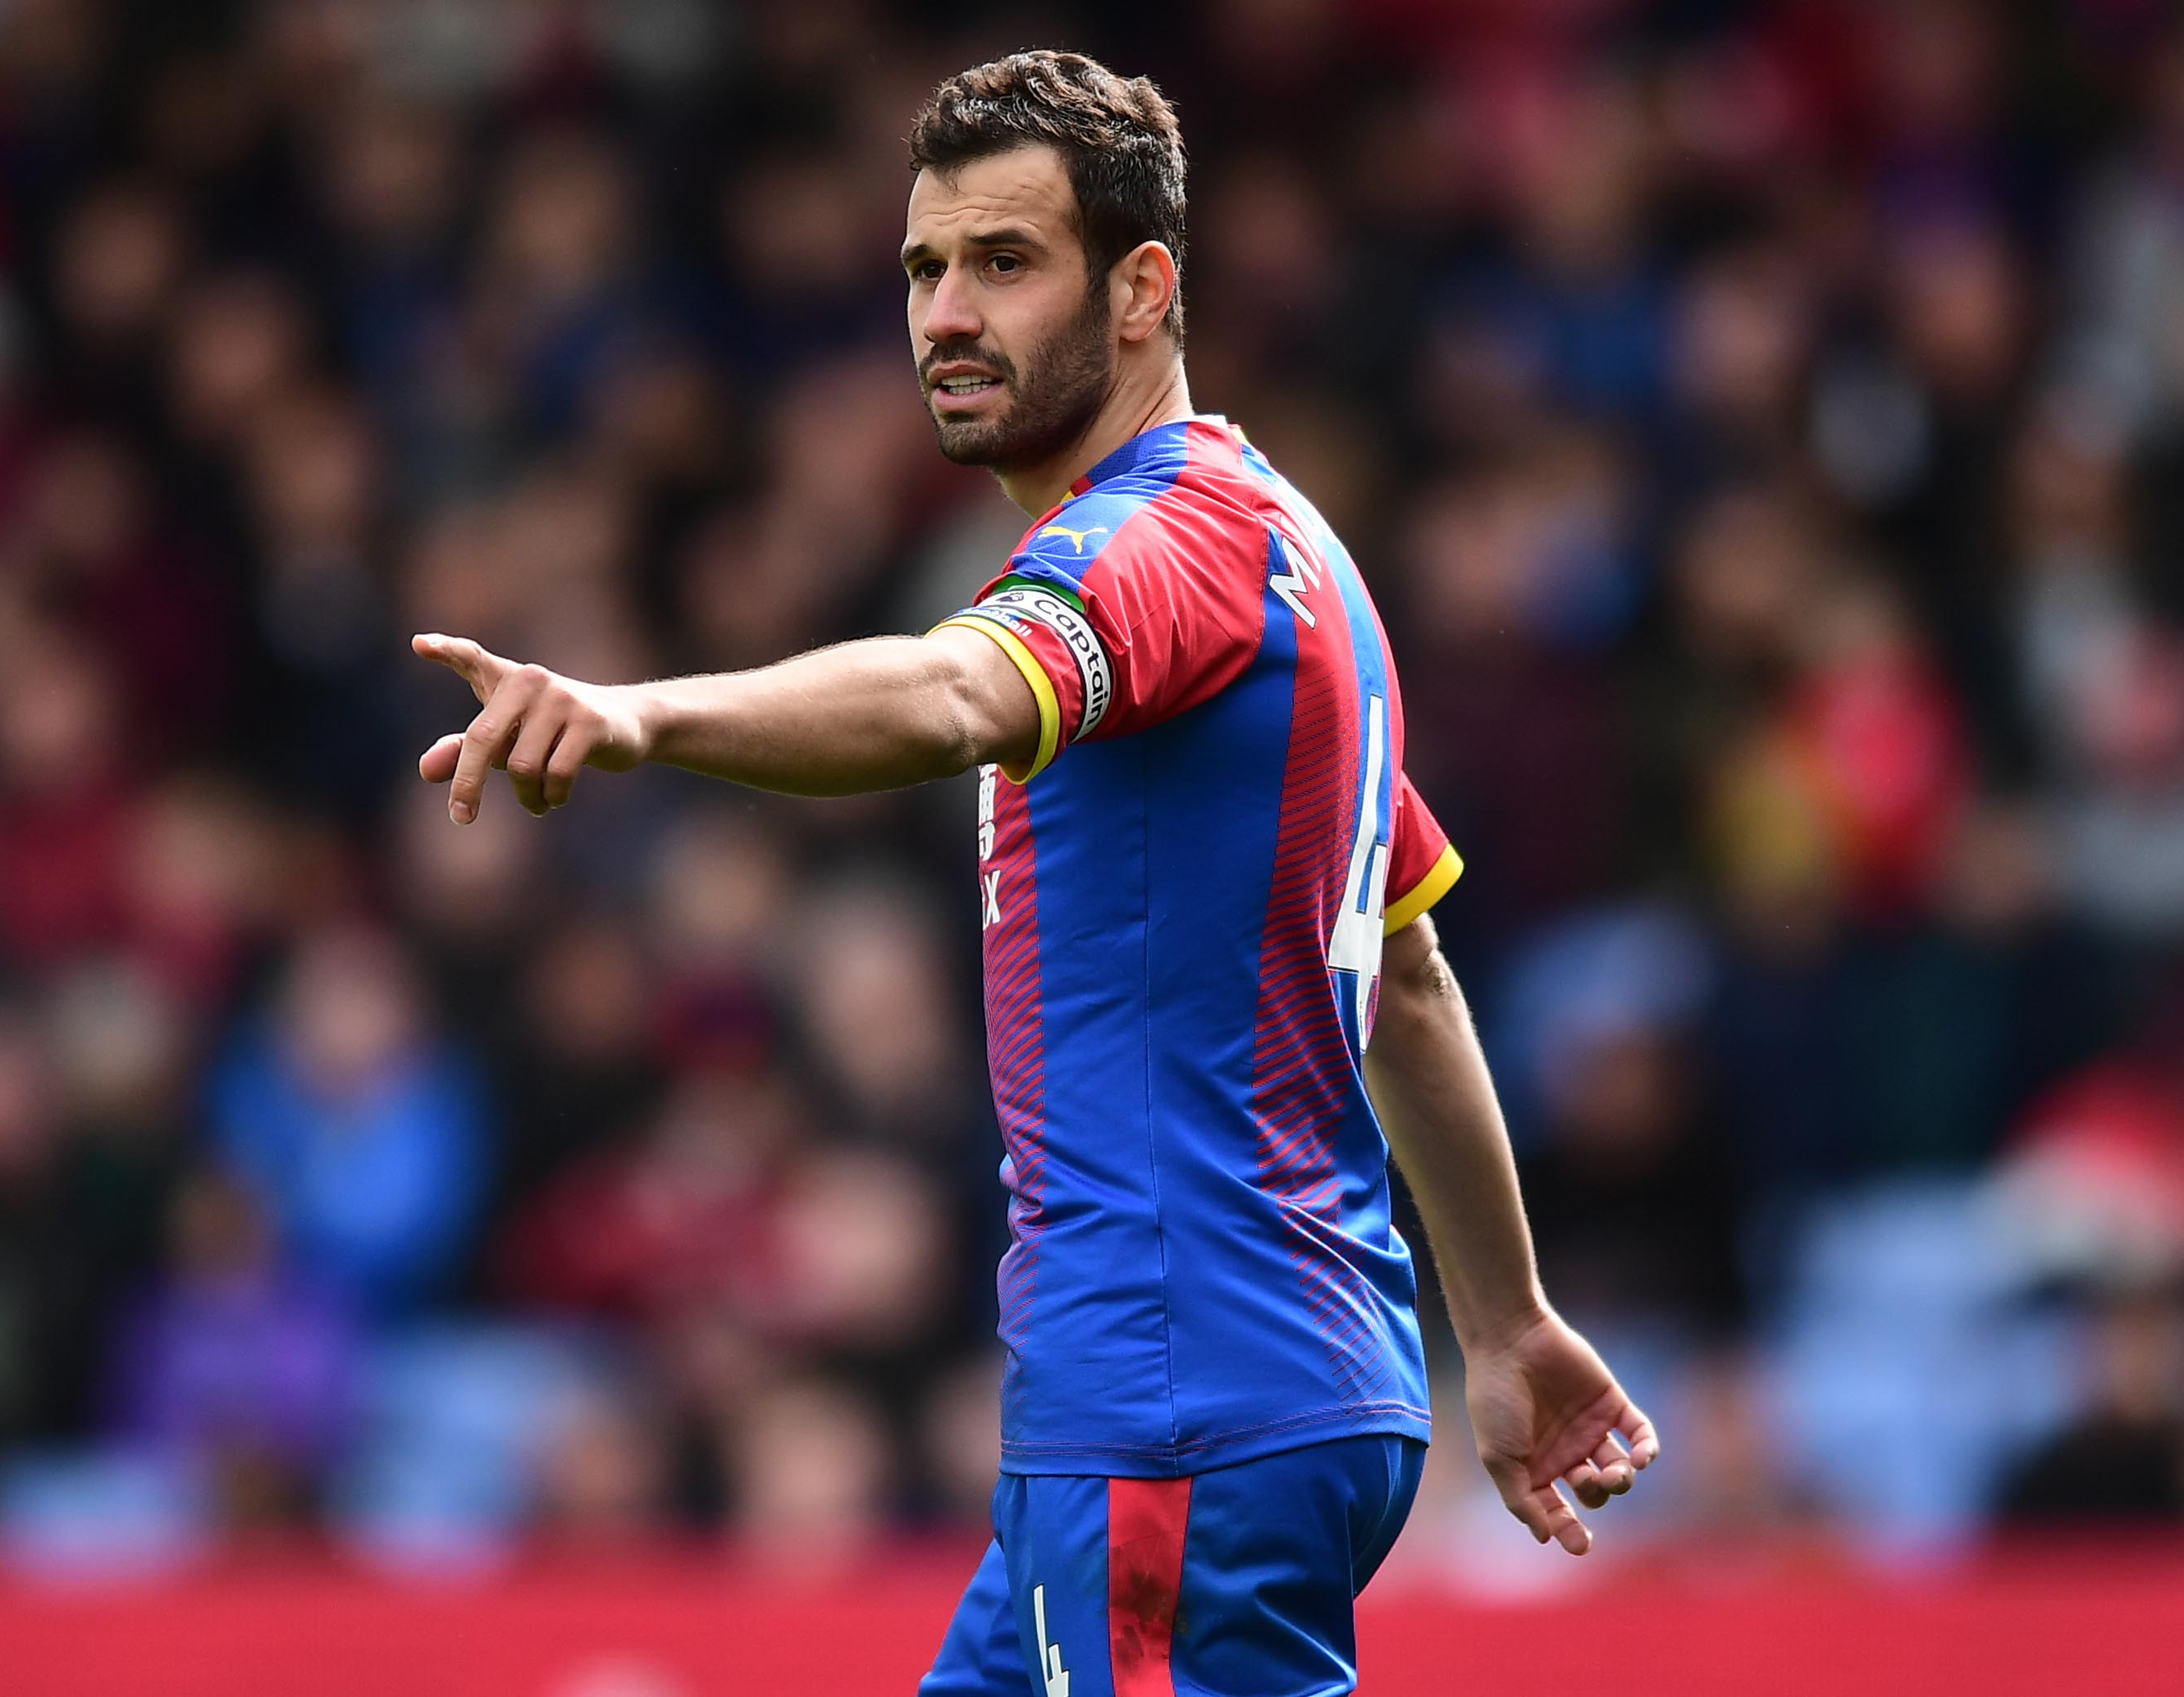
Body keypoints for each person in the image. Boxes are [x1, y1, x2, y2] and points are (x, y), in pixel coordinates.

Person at [413, 49, 1656, 1696]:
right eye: (925, 269)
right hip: (1220, 1392)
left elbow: (952, 693)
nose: (945, 314)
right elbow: (1405, 978)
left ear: (1143, 289)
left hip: (1177, 1401)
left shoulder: (1161, 550)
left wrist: (640, 712)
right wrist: (1501, 1328)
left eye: (1006, 262)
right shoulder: (1297, 559)